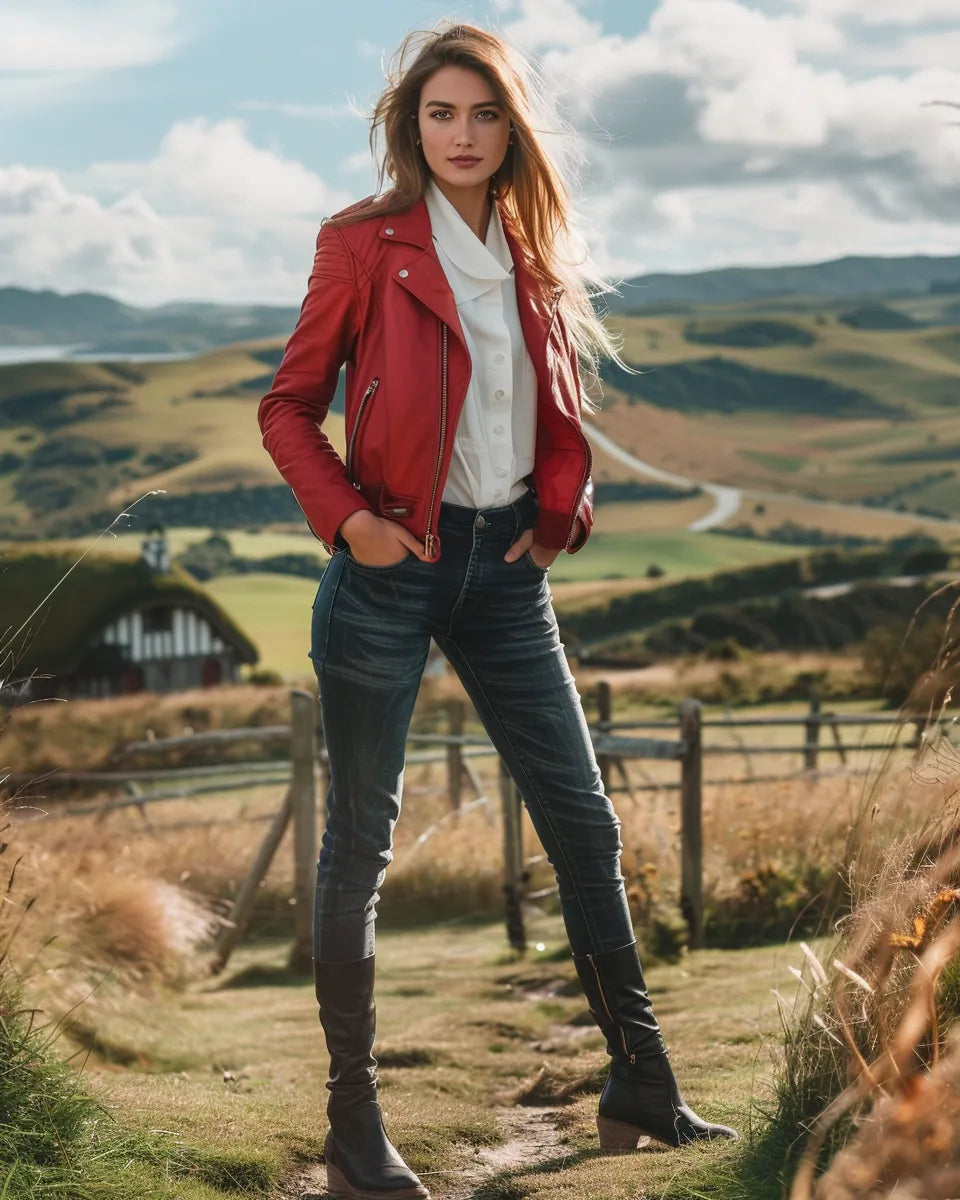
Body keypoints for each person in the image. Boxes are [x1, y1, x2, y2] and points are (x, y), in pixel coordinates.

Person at [258, 21, 737, 1200]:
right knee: (361, 844)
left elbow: (556, 415)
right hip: (386, 566)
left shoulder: (532, 253)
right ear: (410, 127)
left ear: (512, 129)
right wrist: (352, 524)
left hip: (505, 575)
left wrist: (560, 510)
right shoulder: (362, 245)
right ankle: (355, 1134)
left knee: (583, 823)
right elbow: (286, 408)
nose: (462, 136)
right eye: (440, 115)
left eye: (483, 115)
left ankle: (641, 1081)